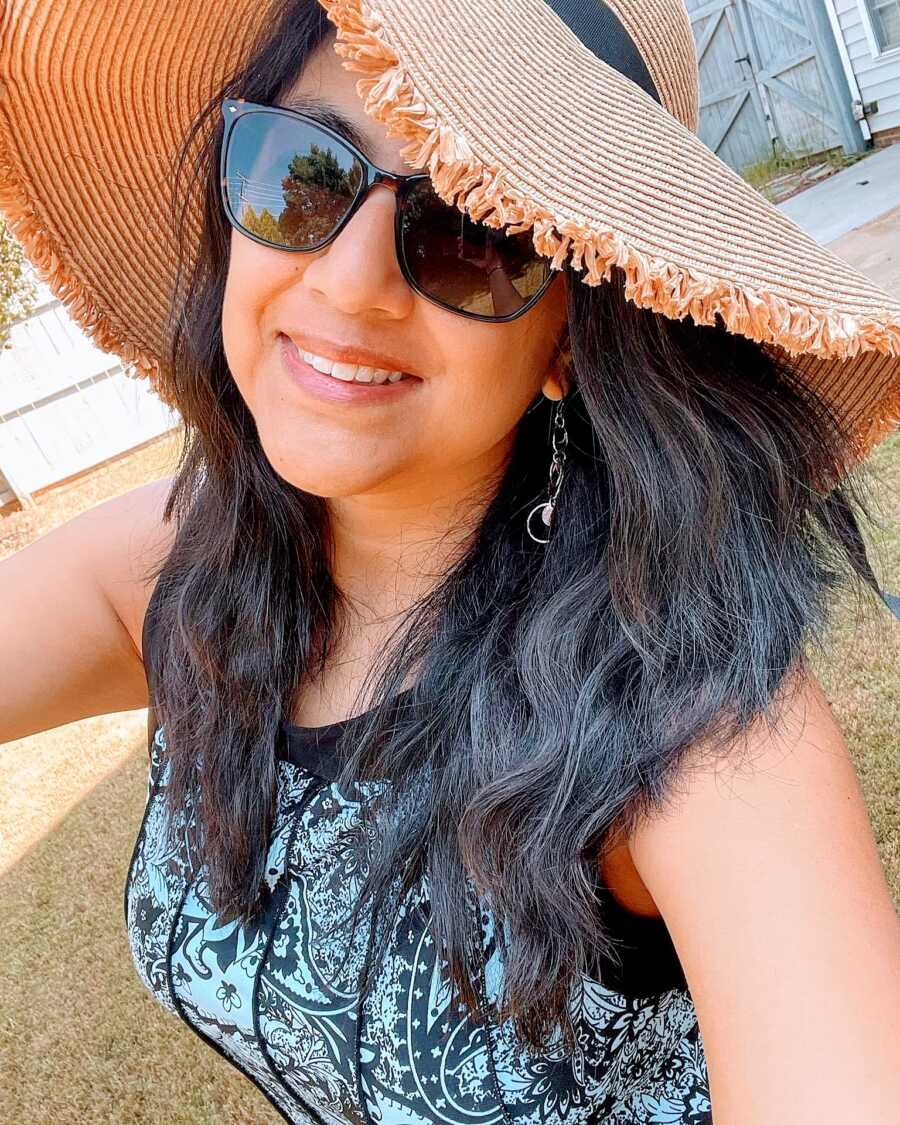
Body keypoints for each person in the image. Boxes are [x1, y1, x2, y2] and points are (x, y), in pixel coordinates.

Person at [1, 0, 899, 1121]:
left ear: (574, 331)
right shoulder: (169, 567)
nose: (347, 283)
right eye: (304, 170)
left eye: (477, 231)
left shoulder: (683, 707)